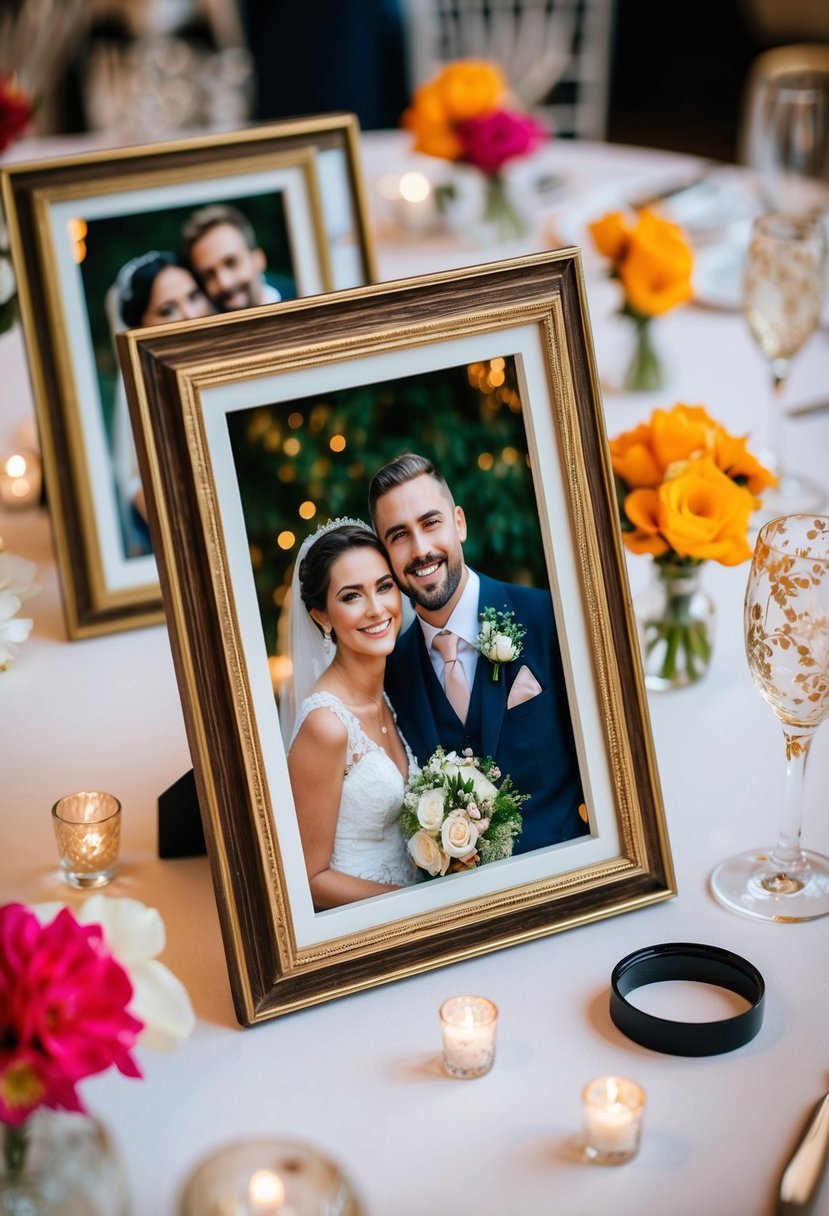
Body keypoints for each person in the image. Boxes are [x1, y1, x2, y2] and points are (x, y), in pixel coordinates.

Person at [368, 452, 588, 855]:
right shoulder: (391, 673)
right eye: (399, 535)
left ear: (459, 523)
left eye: (430, 523)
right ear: (385, 555)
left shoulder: (548, 618)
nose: (420, 550)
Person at [283, 519, 417, 909]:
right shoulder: (326, 724)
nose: (377, 609)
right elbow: (309, 881)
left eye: (384, 586)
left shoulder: (389, 697)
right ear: (321, 616)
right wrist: (418, 905)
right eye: (352, 596)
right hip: (366, 934)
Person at [107, 250, 215, 556]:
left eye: (194, 297)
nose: (191, 315)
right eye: (168, 310)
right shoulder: (142, 395)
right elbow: (134, 482)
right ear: (140, 327)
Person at [180, 202, 296, 313]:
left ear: (258, 259)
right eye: (209, 275)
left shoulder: (302, 294)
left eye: (232, 263)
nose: (224, 283)